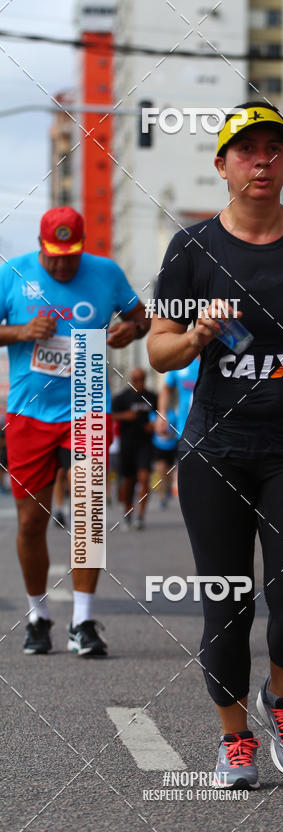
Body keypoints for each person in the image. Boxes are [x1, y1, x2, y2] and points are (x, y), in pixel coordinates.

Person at [148, 101, 283, 790]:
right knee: (226, 603)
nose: (261, 161)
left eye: (274, 149)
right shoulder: (192, 249)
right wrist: (198, 335)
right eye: (246, 151)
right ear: (222, 164)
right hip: (216, 448)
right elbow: (160, 352)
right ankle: (235, 739)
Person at [0, 206, 148, 655]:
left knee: (87, 516)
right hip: (29, 411)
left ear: (81, 247)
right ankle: (38, 615)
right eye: (54, 257)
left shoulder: (105, 272)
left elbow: (142, 318)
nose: (62, 265)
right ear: (41, 246)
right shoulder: (14, 273)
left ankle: (82, 621)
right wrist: (22, 330)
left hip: (86, 405)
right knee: (31, 521)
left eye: (70, 256)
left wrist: (130, 330)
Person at [112, 367, 157, 529]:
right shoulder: (122, 398)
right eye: (136, 379)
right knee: (128, 480)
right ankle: (127, 511)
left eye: (141, 379)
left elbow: (161, 416)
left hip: (145, 443)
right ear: (131, 379)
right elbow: (107, 416)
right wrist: (125, 416)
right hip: (127, 443)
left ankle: (140, 516)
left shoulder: (152, 397)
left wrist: (155, 424)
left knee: (144, 477)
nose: (139, 383)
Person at [150, 406, 178, 507]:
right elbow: (152, 427)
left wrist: (170, 434)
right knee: (160, 470)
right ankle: (162, 496)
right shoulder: (154, 414)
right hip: (158, 446)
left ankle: (168, 489)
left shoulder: (173, 414)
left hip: (171, 446)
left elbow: (176, 428)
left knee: (168, 473)